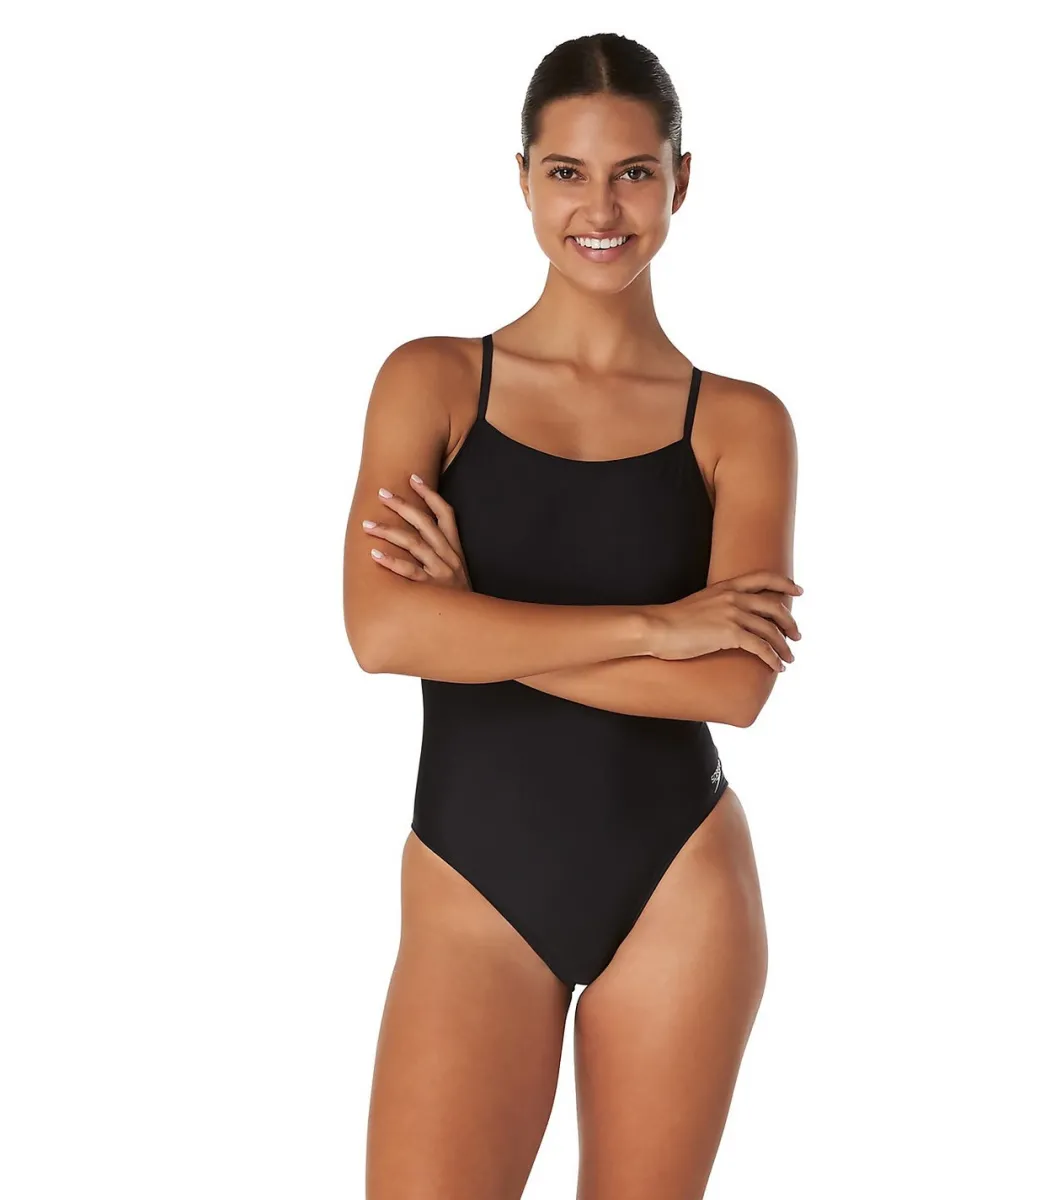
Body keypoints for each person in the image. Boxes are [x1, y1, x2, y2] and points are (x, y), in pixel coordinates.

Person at [342, 31, 802, 1200]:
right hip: (473, 886)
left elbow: (732, 688)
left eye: (634, 172)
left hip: (679, 884)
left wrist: (471, 621)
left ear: (681, 181)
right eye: (568, 172)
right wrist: (655, 627)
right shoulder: (434, 383)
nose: (601, 209)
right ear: (523, 179)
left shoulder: (739, 424)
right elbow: (384, 634)